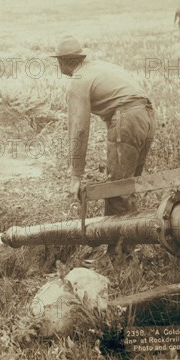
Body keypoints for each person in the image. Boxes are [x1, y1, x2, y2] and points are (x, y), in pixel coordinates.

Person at [51, 34, 156, 245]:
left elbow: (79, 129)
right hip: (148, 115)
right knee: (128, 186)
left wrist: (76, 175)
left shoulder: (78, 80)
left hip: (127, 119)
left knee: (117, 190)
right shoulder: (100, 66)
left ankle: (117, 254)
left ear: (63, 61)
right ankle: (129, 245)